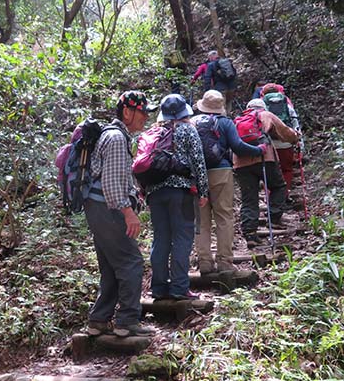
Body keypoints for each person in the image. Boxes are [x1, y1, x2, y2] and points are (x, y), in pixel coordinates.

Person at [84, 91, 156, 338]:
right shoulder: (115, 139)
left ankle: (99, 320)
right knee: (131, 262)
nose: (146, 117)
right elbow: (113, 185)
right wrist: (129, 213)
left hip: (98, 209)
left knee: (111, 264)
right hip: (108, 209)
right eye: (143, 112)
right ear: (127, 112)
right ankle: (127, 320)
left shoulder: (113, 136)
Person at [192, 90, 266, 273]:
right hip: (221, 172)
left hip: (195, 174)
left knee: (201, 220)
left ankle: (204, 262)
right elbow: (238, 147)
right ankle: (224, 262)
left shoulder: (191, 123)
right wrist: (259, 150)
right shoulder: (225, 123)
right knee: (224, 216)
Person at [144, 94, 209, 300]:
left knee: (161, 238)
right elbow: (199, 161)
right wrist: (203, 190)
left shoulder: (153, 132)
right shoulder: (188, 130)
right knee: (182, 238)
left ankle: (159, 287)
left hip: (155, 193)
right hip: (181, 192)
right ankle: (180, 287)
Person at [233, 98, 299, 248]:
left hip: (240, 162)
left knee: (249, 198)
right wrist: (295, 137)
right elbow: (285, 132)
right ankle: (274, 217)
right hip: (265, 158)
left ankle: (250, 233)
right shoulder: (265, 115)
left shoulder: (237, 120)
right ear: (263, 107)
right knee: (278, 186)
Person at [260, 82, 301, 196]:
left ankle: (270, 196)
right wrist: (299, 141)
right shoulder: (286, 105)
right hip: (286, 143)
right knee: (286, 169)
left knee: (269, 172)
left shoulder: (261, 107)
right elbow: (295, 122)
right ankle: (285, 194)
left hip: (269, 143)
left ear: (263, 94)